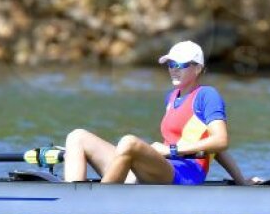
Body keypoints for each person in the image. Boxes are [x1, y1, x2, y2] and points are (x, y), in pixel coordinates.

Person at [63, 40, 248, 185]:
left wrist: (169, 150)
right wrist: (242, 182)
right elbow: (210, 145)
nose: (174, 69)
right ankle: (73, 196)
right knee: (77, 136)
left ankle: (98, 200)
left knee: (129, 142)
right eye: (170, 64)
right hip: (162, 167)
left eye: (180, 65)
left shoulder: (207, 95)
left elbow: (220, 142)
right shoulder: (171, 97)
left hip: (185, 173)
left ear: (198, 68)